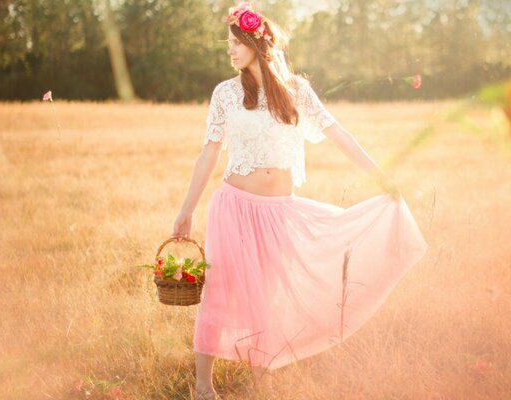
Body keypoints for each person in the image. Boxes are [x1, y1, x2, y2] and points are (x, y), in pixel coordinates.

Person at [171, 3, 428, 399]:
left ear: (259, 43)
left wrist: (382, 177)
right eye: (229, 44)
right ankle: (202, 388)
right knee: (221, 291)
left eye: (237, 42)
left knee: (266, 298)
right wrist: (186, 210)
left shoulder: (296, 91)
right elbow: (209, 152)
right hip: (234, 206)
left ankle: (257, 383)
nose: (231, 50)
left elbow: (338, 132)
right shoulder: (225, 93)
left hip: (280, 212)